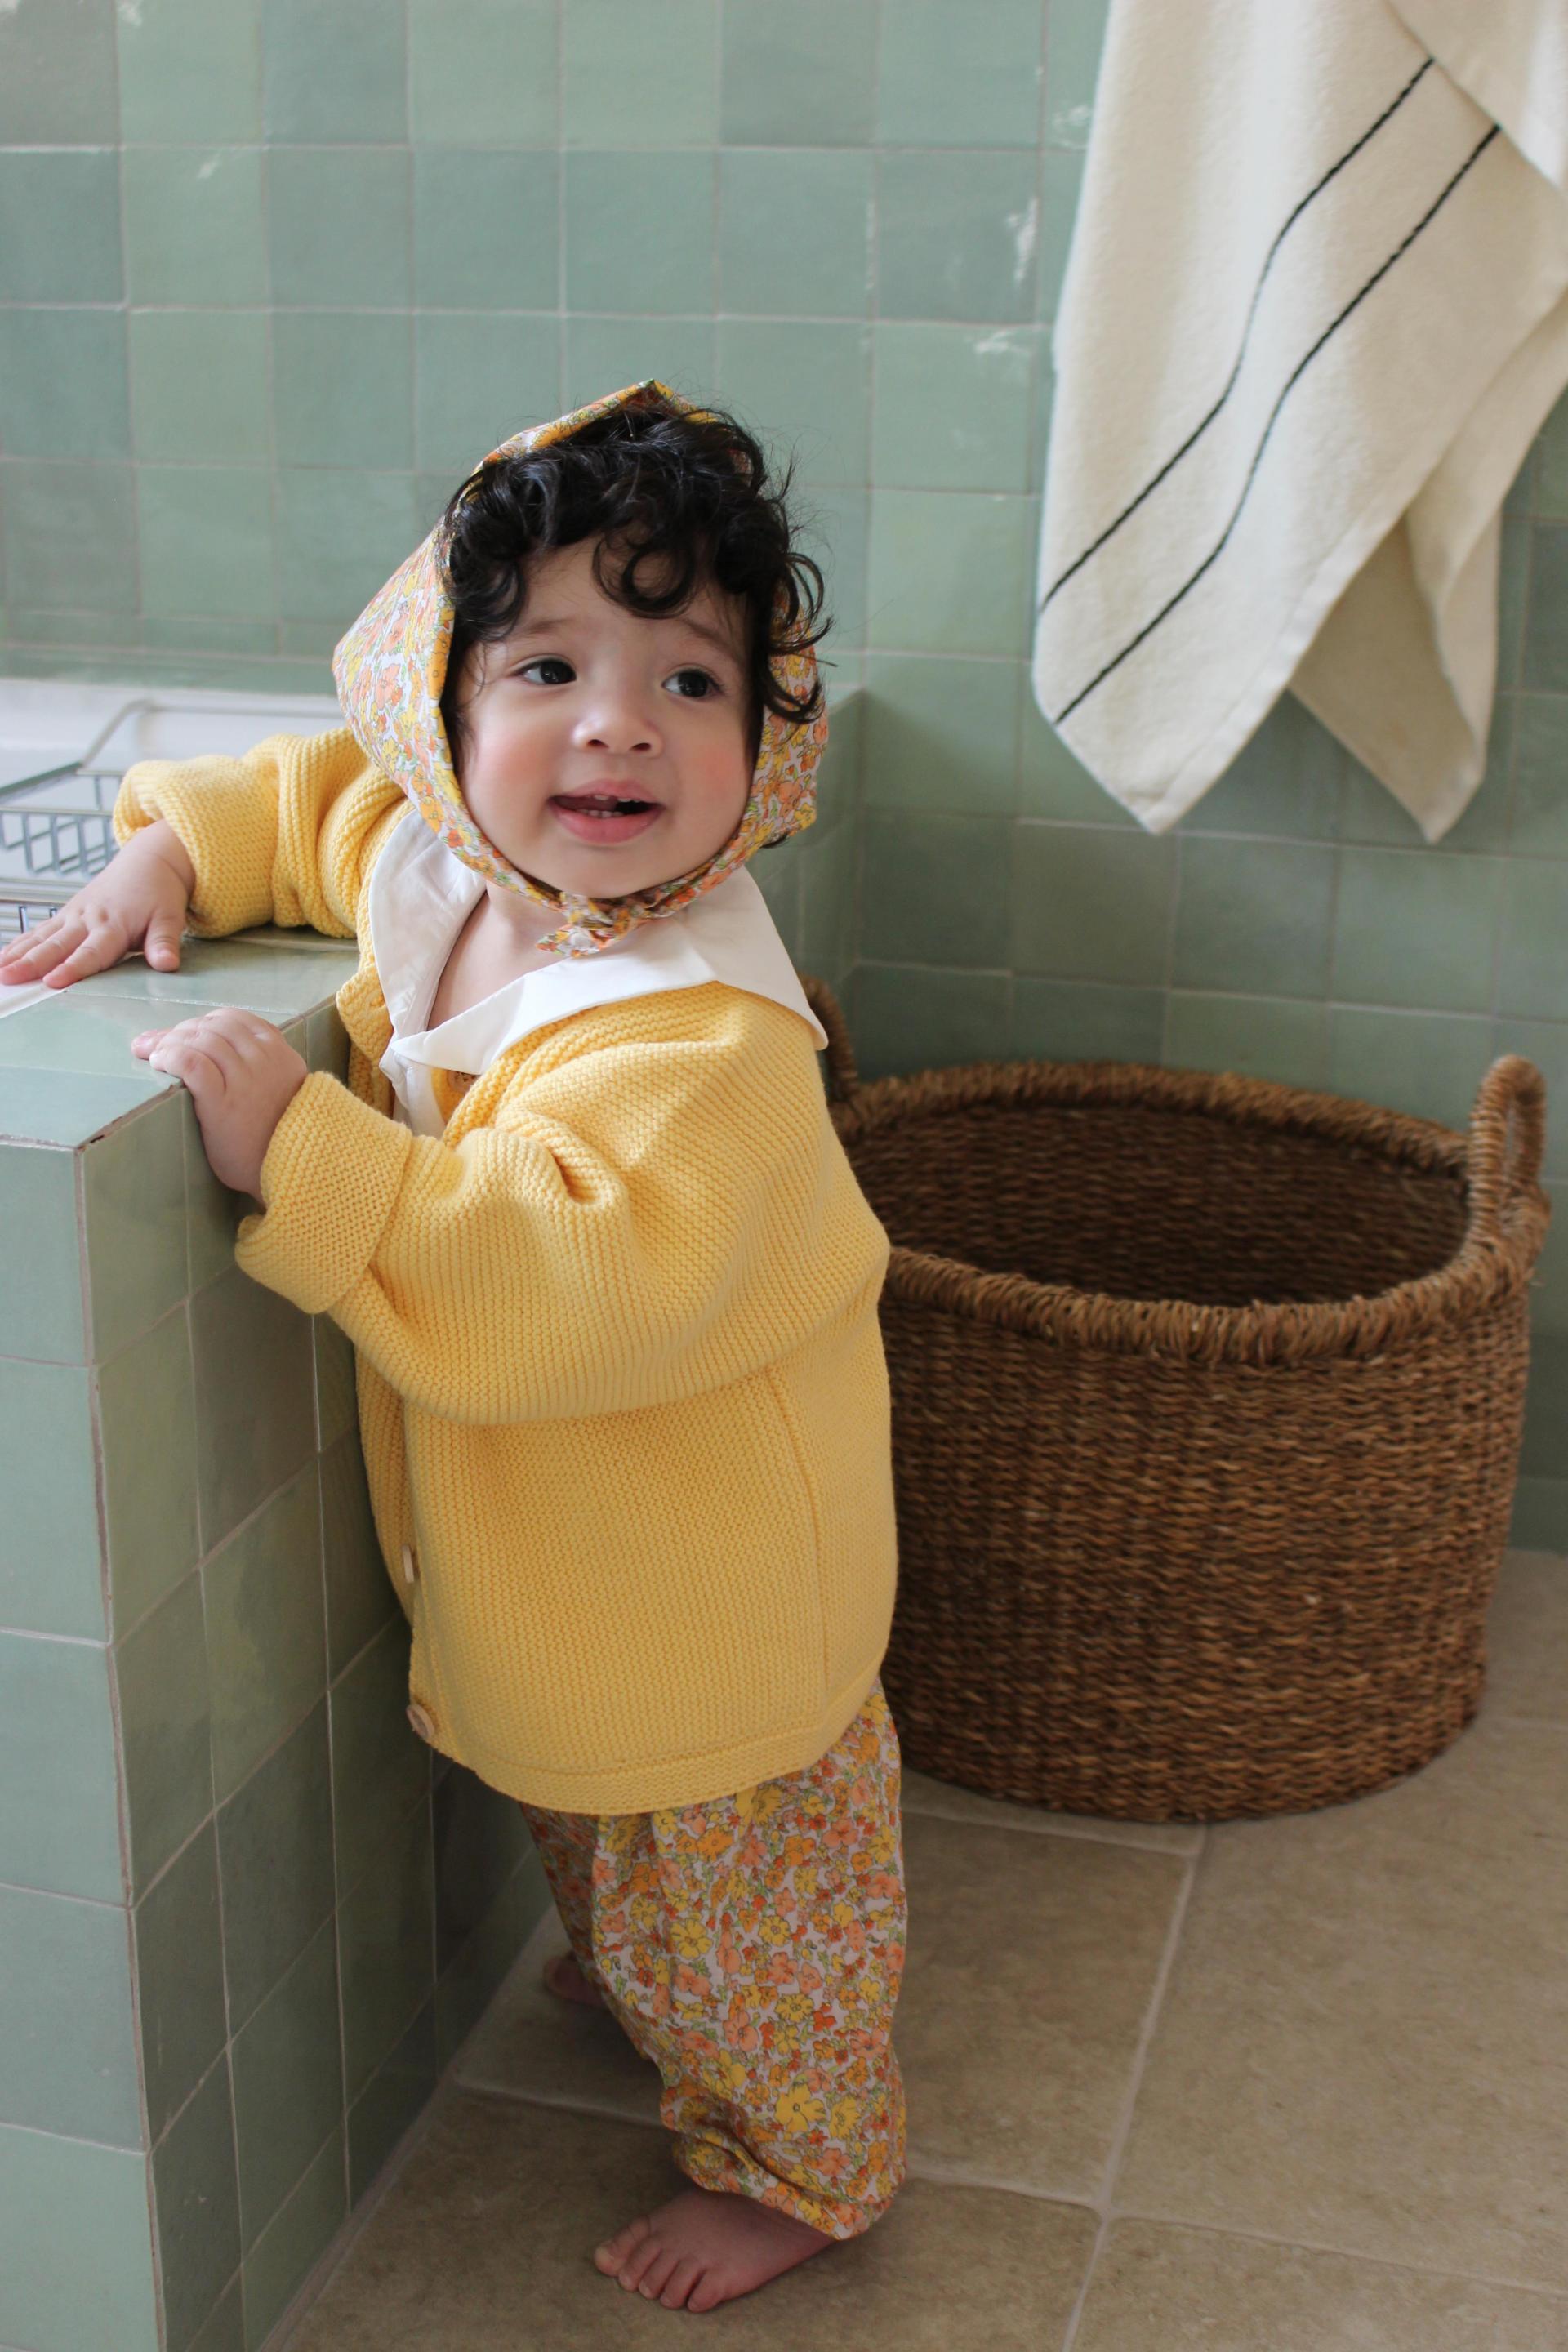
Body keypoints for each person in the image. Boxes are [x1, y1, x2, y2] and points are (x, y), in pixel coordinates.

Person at [0, 382, 908, 2315]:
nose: (617, 724)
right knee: (603, 1816)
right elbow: (319, 803)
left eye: (690, 681)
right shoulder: (458, 871)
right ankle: (642, 1963)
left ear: (765, 746)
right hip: (585, 1568)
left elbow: (547, 1283)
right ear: (447, 704)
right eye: (550, 667)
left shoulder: (703, 1034)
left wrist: (305, 1153)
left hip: (719, 1582)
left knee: (743, 1892)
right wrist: (171, 858)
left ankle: (805, 2164)